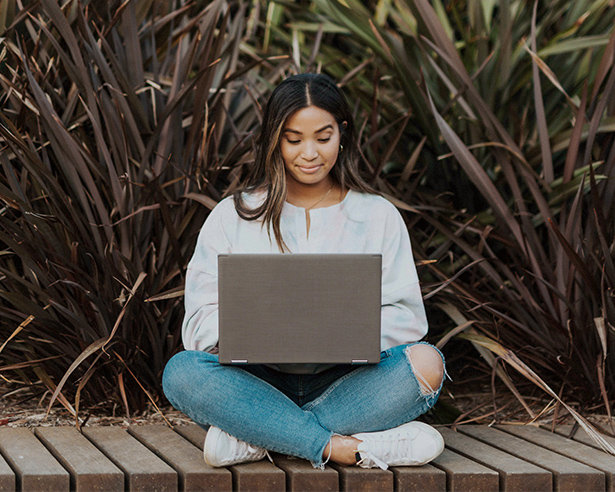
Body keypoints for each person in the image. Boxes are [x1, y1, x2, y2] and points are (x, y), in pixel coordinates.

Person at [162, 73, 446, 470]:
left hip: (347, 384)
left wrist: (340, 333)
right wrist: (259, 333)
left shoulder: (377, 215)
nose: (309, 153)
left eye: (322, 137)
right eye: (293, 139)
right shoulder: (233, 215)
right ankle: (340, 446)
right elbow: (199, 321)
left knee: (428, 363)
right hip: (256, 381)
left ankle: (260, 436)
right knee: (181, 373)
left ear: (342, 133)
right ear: (274, 139)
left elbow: (407, 319)